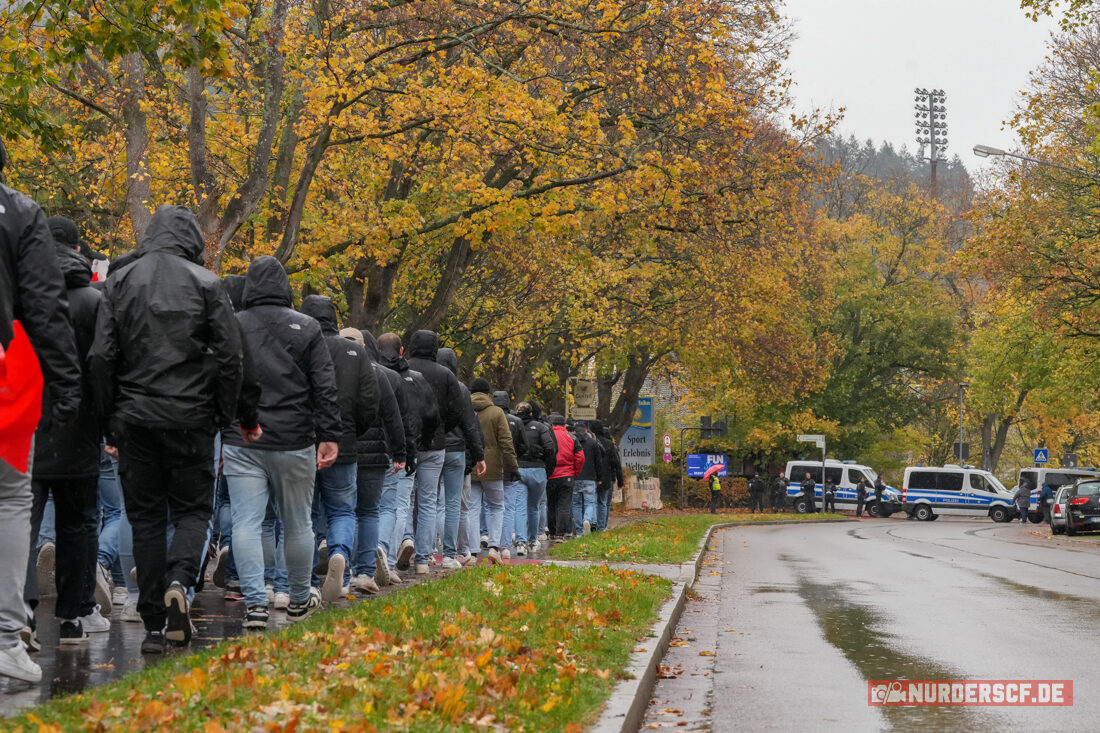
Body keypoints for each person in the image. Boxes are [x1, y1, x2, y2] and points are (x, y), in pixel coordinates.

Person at [90, 205, 248, 654]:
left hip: (135, 417)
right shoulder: (208, 285)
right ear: (192, 240)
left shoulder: (120, 281)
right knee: (194, 511)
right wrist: (222, 413)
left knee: (144, 518)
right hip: (192, 417)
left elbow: (102, 357)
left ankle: (155, 622)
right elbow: (230, 357)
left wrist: (110, 422)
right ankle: (181, 580)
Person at [219, 256, 340, 631]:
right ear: (285, 286)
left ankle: (255, 601)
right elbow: (323, 383)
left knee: (247, 522)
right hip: (294, 437)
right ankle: (300, 598)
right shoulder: (306, 327)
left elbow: (223, 377)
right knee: (298, 522)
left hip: (241, 438)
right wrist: (330, 434)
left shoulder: (233, 324)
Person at [0, 138, 81, 681]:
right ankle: (5, 635)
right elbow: (44, 304)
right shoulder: (21, 212)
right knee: (9, 496)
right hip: (7, 368)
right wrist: (66, 383)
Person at [27, 228, 107, 646]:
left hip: (27, 424)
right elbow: (104, 365)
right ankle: (73, 614)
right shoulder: (95, 302)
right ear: (79, 250)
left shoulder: (23, 296)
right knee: (78, 524)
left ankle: (20, 610)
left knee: (24, 521)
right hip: (80, 427)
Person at [300, 296, 378, 601]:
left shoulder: (300, 346)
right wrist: (350, 432)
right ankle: (340, 556)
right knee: (342, 510)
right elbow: (369, 401)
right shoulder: (355, 353)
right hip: (342, 444)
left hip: (303, 441)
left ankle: (304, 579)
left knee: (304, 513)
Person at [340, 328, 406, 590]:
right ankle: (365, 572)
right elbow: (393, 417)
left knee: (340, 511)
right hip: (375, 455)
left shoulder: (328, 368)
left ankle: (340, 563)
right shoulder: (379, 374)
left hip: (340, 450)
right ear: (365, 347)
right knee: (368, 512)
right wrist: (400, 452)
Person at [374, 333, 437, 575]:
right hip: (403, 448)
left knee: (371, 506)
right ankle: (388, 557)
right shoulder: (415, 379)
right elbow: (431, 415)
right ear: (401, 351)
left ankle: (372, 554)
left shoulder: (373, 373)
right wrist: (421, 442)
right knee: (399, 505)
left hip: (375, 446)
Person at [436, 348, 484, 569]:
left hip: (431, 447)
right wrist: (478, 455)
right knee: (453, 503)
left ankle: (426, 550)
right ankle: (449, 552)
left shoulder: (427, 380)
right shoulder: (461, 388)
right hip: (456, 450)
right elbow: (469, 424)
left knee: (430, 501)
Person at [467, 379, 517, 563]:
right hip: (494, 467)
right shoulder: (496, 412)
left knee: (472, 508)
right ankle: (494, 547)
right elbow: (506, 441)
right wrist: (513, 466)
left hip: (470, 464)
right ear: (489, 394)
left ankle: (472, 550)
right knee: (497, 506)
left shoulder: (465, 409)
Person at [516, 402, 555, 552]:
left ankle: (520, 542)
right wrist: (544, 464)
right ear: (531, 413)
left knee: (519, 508)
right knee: (534, 507)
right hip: (538, 470)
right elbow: (550, 448)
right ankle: (532, 541)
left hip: (519, 469)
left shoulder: (512, 425)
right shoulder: (541, 427)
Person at [493, 391, 528, 557]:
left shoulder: (488, 417)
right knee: (509, 507)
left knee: (490, 506)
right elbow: (524, 445)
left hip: (492, 468)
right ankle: (505, 545)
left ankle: (491, 539)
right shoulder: (516, 421)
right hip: (511, 468)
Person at [546, 414, 584, 538]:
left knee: (551, 504)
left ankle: (551, 532)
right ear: (564, 425)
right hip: (567, 475)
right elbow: (580, 457)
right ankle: (560, 534)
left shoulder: (548, 436)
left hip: (551, 475)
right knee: (564, 505)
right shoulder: (572, 437)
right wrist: (575, 472)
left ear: (552, 424)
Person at [589, 420, 623, 532]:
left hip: (591, 476)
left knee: (591, 501)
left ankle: (592, 523)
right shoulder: (609, 444)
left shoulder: (589, 442)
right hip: (606, 476)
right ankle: (602, 527)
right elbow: (616, 463)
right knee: (603, 502)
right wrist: (619, 480)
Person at [572, 424, 604, 536]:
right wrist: (599, 478)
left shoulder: (572, 441)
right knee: (589, 503)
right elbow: (598, 462)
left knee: (576, 504)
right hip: (590, 478)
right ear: (586, 430)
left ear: (574, 431)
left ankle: (579, 531)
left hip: (575, 477)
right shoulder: (593, 443)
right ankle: (587, 519)